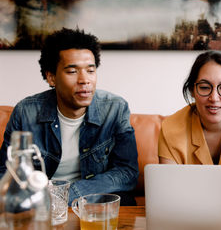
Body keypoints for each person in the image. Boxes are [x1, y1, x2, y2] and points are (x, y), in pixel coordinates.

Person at [0, 28, 139, 205]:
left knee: (125, 201)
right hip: (40, 200)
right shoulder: (26, 112)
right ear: (51, 78)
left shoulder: (115, 108)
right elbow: (5, 171)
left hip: (90, 197)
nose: (84, 80)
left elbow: (127, 172)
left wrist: (69, 193)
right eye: (72, 71)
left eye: (90, 70)